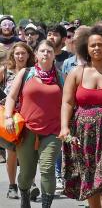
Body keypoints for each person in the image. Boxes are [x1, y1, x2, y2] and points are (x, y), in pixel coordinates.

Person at [58, 24, 102, 208]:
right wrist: (64, 127)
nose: (96, 48)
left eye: (100, 45)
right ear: (85, 48)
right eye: (92, 45)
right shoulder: (76, 73)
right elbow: (67, 102)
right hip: (82, 132)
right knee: (88, 177)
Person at [5, 40, 64, 208]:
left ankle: (46, 206)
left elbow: (68, 103)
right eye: (42, 51)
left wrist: (66, 127)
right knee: (27, 173)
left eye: (49, 51)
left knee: (47, 168)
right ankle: (24, 194)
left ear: (54, 55)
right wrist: (8, 117)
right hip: (27, 130)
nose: (46, 54)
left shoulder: (60, 76)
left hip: (53, 130)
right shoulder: (25, 73)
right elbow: (11, 97)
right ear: (36, 55)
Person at [0, 42, 35, 200]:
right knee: (12, 152)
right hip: (10, 117)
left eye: (23, 53)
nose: (20, 56)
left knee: (29, 152)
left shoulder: (34, 71)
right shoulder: (4, 71)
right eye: (17, 54)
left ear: (28, 55)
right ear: (12, 55)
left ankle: (28, 183)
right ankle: (12, 186)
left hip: (28, 115)